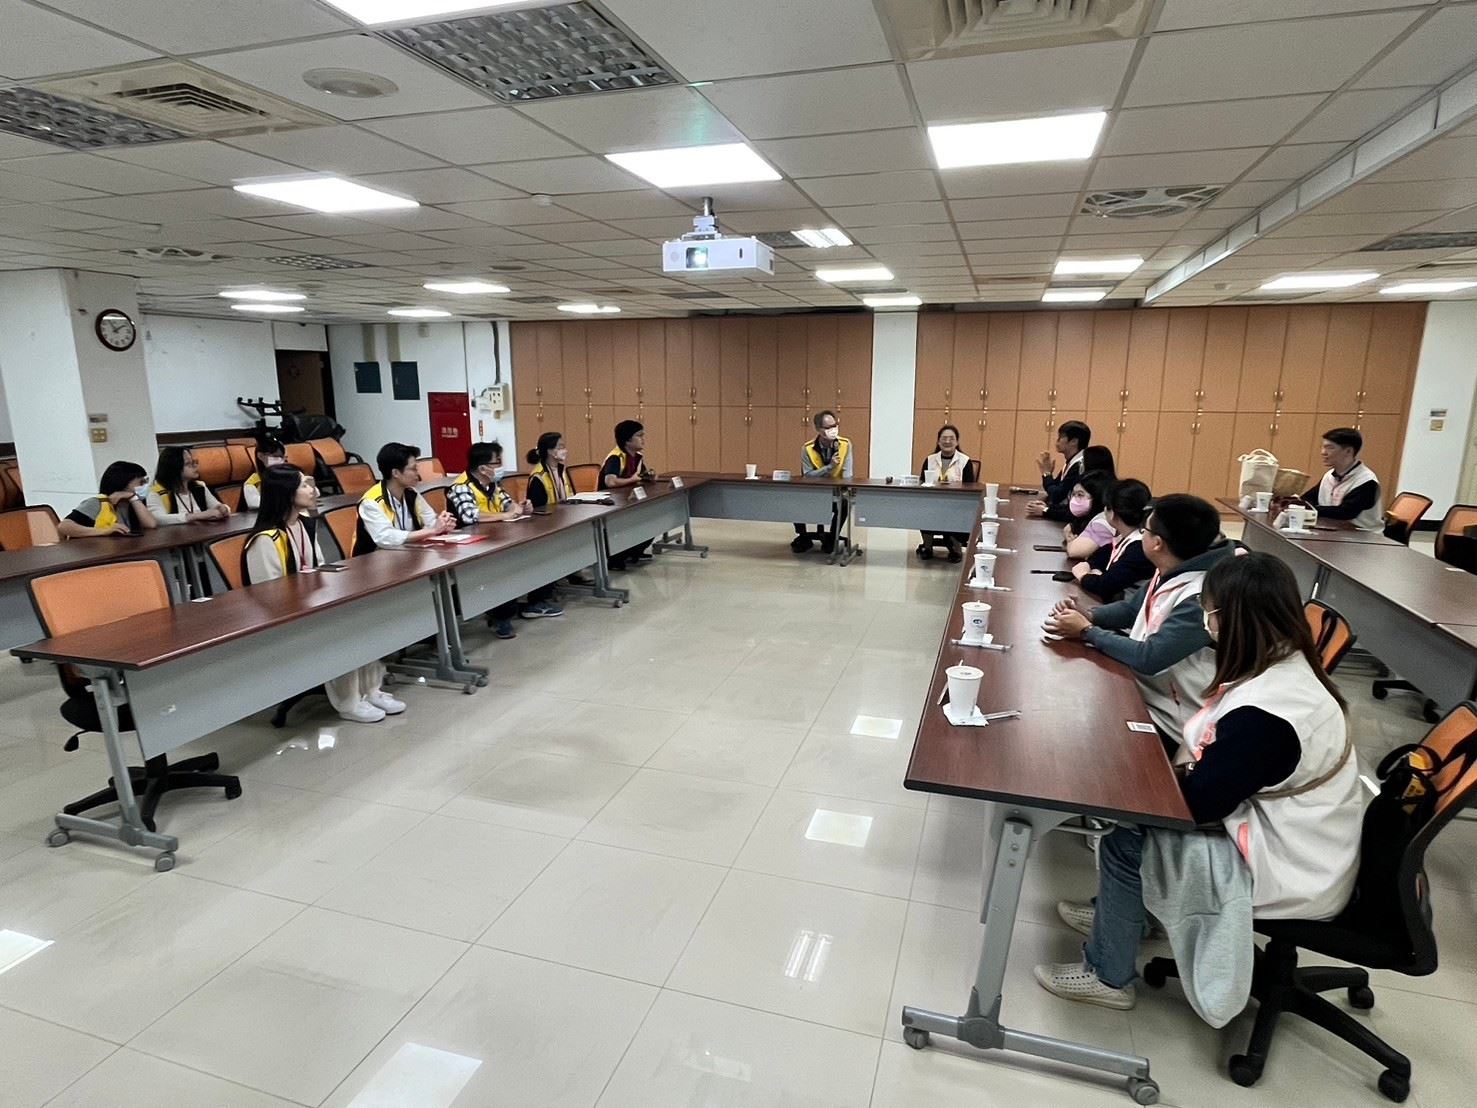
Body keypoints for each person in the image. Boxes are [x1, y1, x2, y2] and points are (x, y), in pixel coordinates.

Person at [1035, 553, 1362, 1009]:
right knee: (1142, 805)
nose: (1204, 623)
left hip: (1292, 863)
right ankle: (1128, 918)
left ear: (1226, 619)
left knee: (1128, 836)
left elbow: (1197, 806)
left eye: (1207, 612)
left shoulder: (1268, 713)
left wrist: (1129, 785)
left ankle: (1107, 976)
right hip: (1297, 828)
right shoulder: (1284, 663)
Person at [1045, 494, 1238, 742]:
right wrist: (1088, 615)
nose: (1140, 535)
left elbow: (1150, 657)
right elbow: (1131, 610)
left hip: (1176, 716)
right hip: (1144, 689)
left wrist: (1086, 631)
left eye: (1144, 530)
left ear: (1157, 543)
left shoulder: (1202, 594)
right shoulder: (1175, 567)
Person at [243, 464, 406, 725]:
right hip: (284, 620)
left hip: (311, 606)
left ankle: (370, 690)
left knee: (366, 616)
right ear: (286, 492)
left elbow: (319, 569)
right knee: (343, 628)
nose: (313, 490)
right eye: (304, 485)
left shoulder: (304, 526)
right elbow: (270, 597)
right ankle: (349, 702)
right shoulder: (265, 539)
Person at [447, 441, 562, 636]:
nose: (500, 467)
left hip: (496, 537)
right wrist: (505, 515)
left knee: (540, 548)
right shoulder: (460, 487)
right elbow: (469, 516)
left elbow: (509, 504)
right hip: (472, 546)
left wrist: (521, 508)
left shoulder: (492, 485)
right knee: (502, 567)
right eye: (497, 463)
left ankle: (536, 602)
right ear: (482, 468)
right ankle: (500, 617)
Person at [352, 441, 454, 555]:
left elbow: (430, 521)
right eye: (413, 469)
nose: (418, 474)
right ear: (396, 473)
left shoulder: (411, 493)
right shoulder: (371, 502)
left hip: (407, 554)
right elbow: (386, 538)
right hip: (374, 560)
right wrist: (432, 530)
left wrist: (443, 524)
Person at [1074, 479, 1154, 602]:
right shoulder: (1123, 538)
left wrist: (1083, 576)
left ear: (1112, 513)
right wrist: (1093, 570)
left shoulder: (1140, 548)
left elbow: (1105, 586)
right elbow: (1097, 559)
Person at [792, 409, 852, 554]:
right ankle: (803, 537)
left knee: (845, 503)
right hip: (814, 491)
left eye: (835, 425)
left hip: (836, 491)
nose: (833, 430)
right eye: (828, 427)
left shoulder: (845, 444)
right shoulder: (807, 448)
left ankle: (832, 537)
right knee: (793, 500)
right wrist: (829, 467)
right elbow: (808, 475)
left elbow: (848, 475)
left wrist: (842, 488)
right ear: (819, 429)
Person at [917, 423, 978, 562]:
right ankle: (927, 547)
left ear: (957, 442)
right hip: (933, 503)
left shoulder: (965, 461)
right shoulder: (930, 460)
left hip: (957, 504)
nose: (947, 441)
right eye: (944, 438)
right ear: (938, 442)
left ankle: (956, 550)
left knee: (956, 515)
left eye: (951, 438)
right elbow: (922, 482)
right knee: (923, 511)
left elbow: (970, 487)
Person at [601, 420, 657, 569]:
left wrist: (648, 477)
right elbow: (610, 482)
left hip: (628, 500)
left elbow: (640, 476)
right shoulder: (615, 457)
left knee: (653, 519)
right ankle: (616, 558)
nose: (643, 439)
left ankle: (634, 552)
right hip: (610, 503)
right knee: (631, 524)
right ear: (627, 440)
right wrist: (631, 480)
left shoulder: (637, 456)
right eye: (639, 435)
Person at [1304, 426, 1383, 531]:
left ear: (1348, 451)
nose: (1323, 452)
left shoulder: (1366, 481)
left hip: (1362, 535)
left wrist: (1311, 509)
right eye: (1322, 447)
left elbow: (1345, 512)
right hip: (1332, 530)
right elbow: (1307, 499)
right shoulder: (1329, 476)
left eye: (1330, 448)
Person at [58, 461, 159, 539]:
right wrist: (103, 531)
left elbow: (151, 524)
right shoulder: (97, 503)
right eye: (141, 482)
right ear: (123, 483)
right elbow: (64, 526)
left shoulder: (135, 501)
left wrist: (134, 498)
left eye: (146, 481)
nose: (145, 486)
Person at [146, 446, 230, 525]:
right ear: (174, 468)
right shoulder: (157, 493)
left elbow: (217, 506)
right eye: (188, 463)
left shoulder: (199, 487)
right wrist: (196, 516)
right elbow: (158, 519)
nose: (195, 466)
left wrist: (224, 508)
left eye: (194, 462)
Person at [1026, 420, 1091, 519]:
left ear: (1074, 441)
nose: (1057, 441)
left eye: (1061, 437)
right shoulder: (1072, 461)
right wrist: (1048, 507)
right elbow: (1056, 488)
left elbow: (1056, 495)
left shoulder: (1079, 465)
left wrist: (1046, 474)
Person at [1062, 470, 1115, 560]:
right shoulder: (1087, 518)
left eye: (1080, 495)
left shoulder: (1103, 522)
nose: (1074, 499)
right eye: (1073, 494)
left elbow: (1074, 551)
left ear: (1097, 497)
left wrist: (1069, 540)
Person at [526, 431, 576, 509]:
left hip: (565, 512)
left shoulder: (562, 471)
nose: (565, 450)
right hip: (549, 515)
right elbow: (538, 508)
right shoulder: (538, 476)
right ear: (550, 451)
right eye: (561, 447)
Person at [241, 434, 286, 511]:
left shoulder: (290, 476)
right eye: (274, 456)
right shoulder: (252, 483)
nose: (280, 460)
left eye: (281, 457)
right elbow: (255, 503)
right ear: (260, 456)